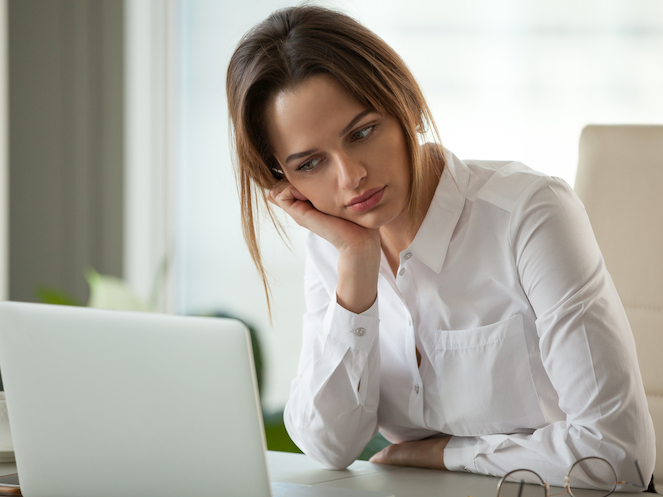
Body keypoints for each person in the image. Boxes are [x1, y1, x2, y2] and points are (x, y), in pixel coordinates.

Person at [225, 4, 656, 488]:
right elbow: (330, 444)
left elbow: (618, 455)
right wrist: (356, 262)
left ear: (404, 103)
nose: (350, 178)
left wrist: (448, 454)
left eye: (362, 132)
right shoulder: (337, 243)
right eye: (310, 164)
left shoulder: (529, 213)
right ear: (281, 177)